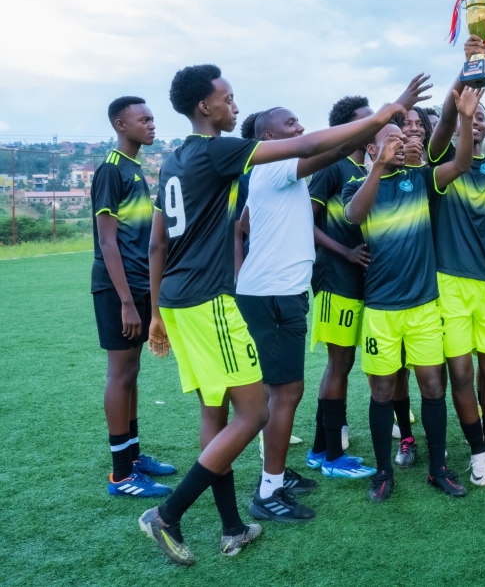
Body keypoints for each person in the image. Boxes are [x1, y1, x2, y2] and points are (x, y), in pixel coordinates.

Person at [138, 64, 422, 566]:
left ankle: (231, 525)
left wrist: (157, 309)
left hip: (182, 300)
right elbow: (313, 146)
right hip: (213, 301)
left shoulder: (175, 159)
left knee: (217, 410)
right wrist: (387, 112)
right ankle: (170, 513)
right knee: (255, 411)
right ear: (205, 107)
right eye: (227, 97)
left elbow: (160, 240)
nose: (234, 104)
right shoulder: (222, 150)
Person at [237, 103, 383, 523]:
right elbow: (332, 151)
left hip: (275, 290)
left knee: (276, 391)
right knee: (286, 393)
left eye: (299, 122)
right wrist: (381, 119)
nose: (299, 127)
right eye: (290, 124)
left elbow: (243, 223)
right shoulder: (276, 166)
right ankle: (269, 491)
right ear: (268, 138)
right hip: (275, 294)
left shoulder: (275, 172)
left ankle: (277, 474)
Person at [343, 88, 484, 502]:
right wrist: (378, 168)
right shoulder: (360, 186)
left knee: (432, 388)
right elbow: (354, 216)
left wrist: (463, 118)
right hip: (382, 312)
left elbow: (460, 162)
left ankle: (438, 467)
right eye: (391, 140)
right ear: (371, 148)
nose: (400, 145)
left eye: (403, 140)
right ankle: (383, 472)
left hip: (424, 307)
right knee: (382, 392)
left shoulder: (419, 180)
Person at [426, 39, 485, 485]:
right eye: (473, 112)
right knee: (461, 370)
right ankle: (476, 450)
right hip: (452, 284)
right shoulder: (440, 165)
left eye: (484, 115)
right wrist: (468, 70)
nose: (476, 117)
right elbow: (447, 121)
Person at [93, 96, 174, 498]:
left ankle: (134, 455)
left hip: (139, 283)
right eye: (143, 119)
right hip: (117, 287)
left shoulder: (135, 168)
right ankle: (122, 474)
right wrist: (126, 301)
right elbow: (107, 242)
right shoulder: (110, 170)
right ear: (120, 125)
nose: (151, 124)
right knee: (120, 373)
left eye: (152, 118)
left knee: (133, 374)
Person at [307, 96, 381, 479]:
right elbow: (307, 221)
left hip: (356, 281)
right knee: (339, 364)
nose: (373, 123)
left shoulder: (361, 169)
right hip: (334, 278)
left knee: (345, 363)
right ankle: (332, 456)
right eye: (365, 119)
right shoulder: (332, 167)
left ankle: (320, 448)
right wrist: (346, 253)